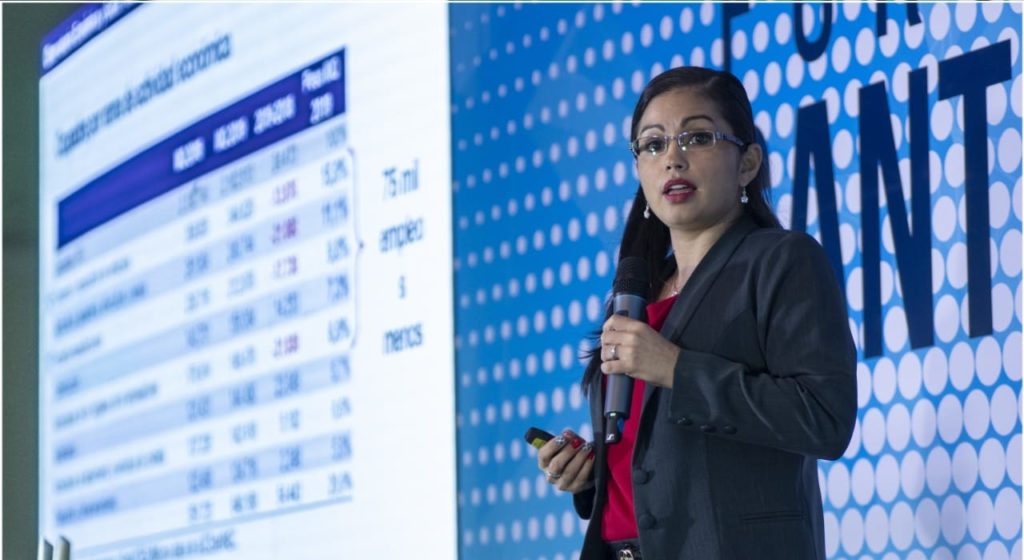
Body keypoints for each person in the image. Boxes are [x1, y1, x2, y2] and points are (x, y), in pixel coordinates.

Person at [535, 66, 857, 560]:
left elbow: (824, 419)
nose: (673, 158)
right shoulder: (638, 294)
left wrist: (677, 369)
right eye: (653, 144)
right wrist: (593, 474)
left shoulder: (782, 260)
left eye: (698, 137)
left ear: (747, 163)